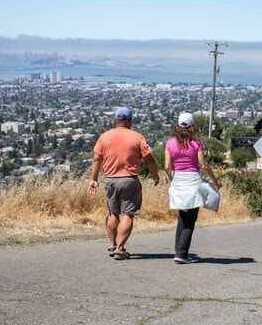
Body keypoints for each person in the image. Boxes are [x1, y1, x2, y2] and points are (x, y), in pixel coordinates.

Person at [88, 107, 160, 260]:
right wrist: (155, 175)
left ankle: (112, 244)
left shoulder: (104, 137)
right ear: (130, 121)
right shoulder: (137, 137)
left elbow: (96, 160)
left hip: (110, 180)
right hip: (129, 180)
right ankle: (120, 249)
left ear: (115, 120)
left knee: (113, 213)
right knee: (127, 214)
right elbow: (149, 159)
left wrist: (93, 179)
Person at [165, 112, 222, 264]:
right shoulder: (197, 144)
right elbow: (204, 165)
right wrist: (215, 181)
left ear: (177, 126)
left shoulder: (170, 143)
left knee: (182, 217)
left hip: (178, 180)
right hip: (192, 181)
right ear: (193, 127)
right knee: (190, 219)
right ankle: (182, 255)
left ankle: (179, 252)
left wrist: (172, 178)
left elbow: (167, 166)